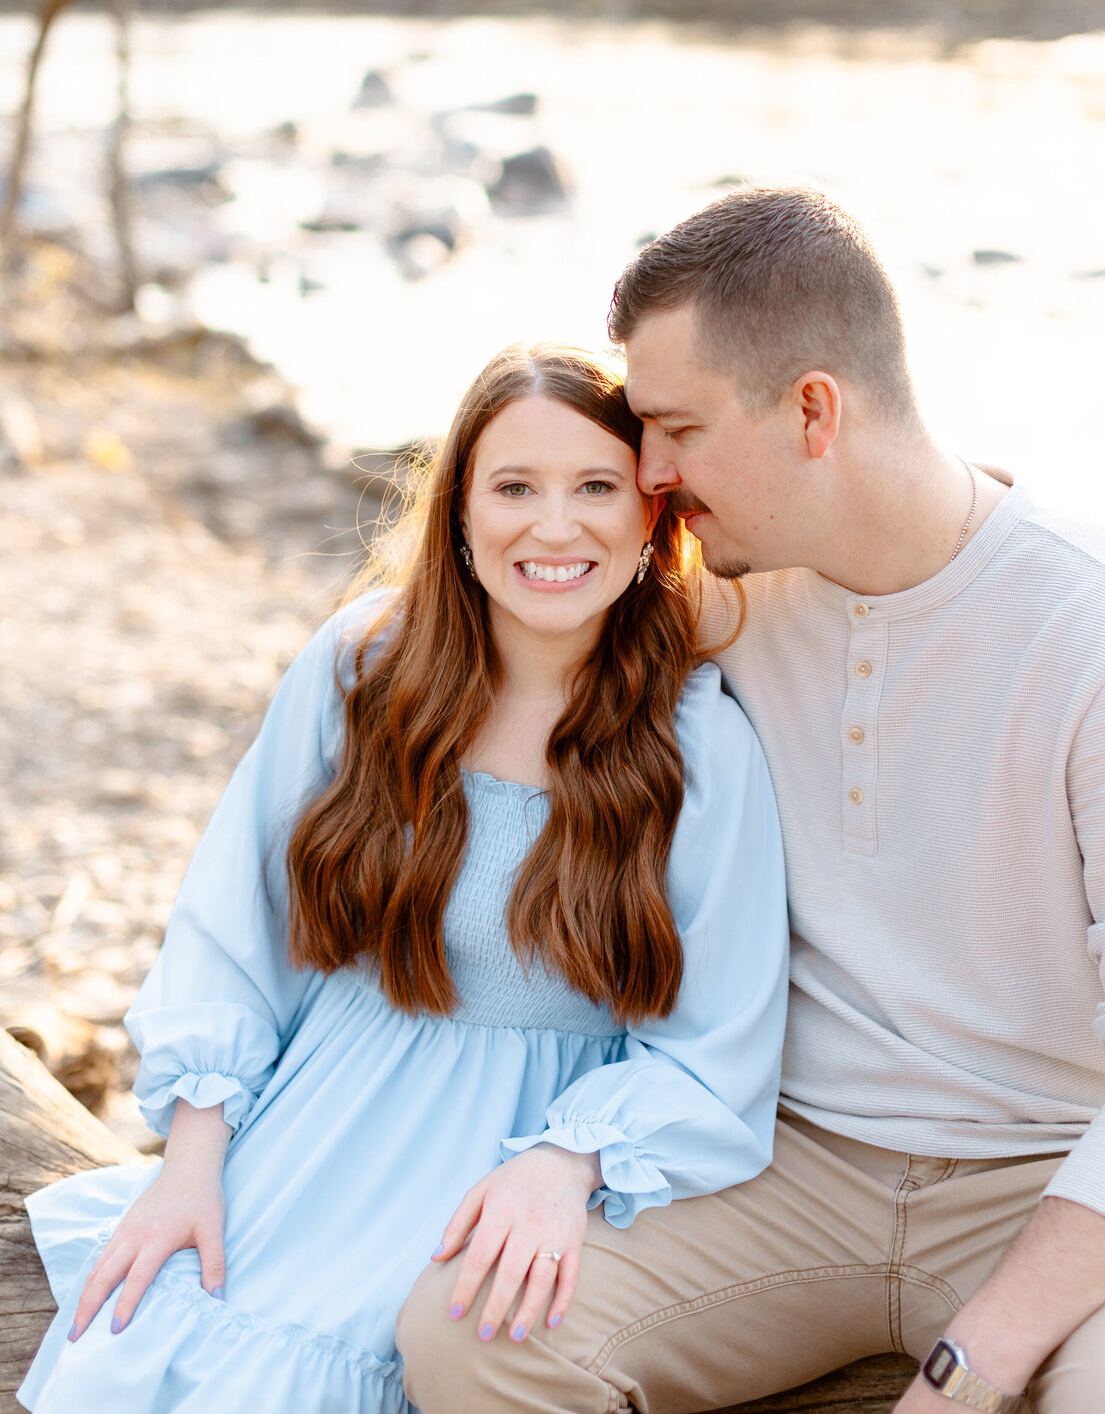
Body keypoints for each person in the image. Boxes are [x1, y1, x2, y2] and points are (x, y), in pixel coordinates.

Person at [400, 188, 1105, 1414]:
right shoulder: (725, 604)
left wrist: (968, 1369)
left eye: (675, 428)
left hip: (1043, 1179)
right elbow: (501, 611)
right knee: (474, 1332)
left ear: (813, 411)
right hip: (787, 1161)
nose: (650, 474)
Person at [18, 342, 789, 1414]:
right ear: (461, 516)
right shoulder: (362, 667)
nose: (555, 527)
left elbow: (718, 1048)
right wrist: (189, 1161)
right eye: (514, 487)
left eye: (597, 488)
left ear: (651, 519)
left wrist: (569, 1165)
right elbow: (237, 929)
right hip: (311, 1136)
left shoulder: (698, 745)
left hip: (513, 1174)